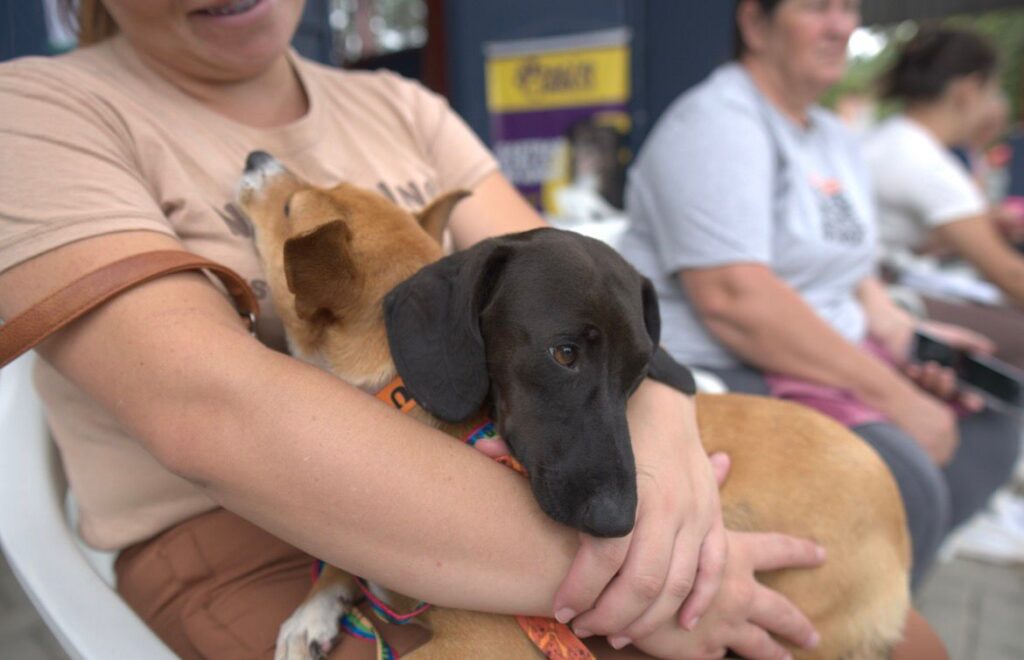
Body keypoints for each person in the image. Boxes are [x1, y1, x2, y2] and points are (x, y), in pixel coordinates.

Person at [0, 1, 833, 658]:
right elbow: (210, 411)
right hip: (252, 539)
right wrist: (643, 583)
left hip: (493, 483)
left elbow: (579, 288)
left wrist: (664, 421)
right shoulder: (37, 113)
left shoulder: (400, 106)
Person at [618, 0, 1021, 592]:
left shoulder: (831, 133)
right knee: (905, 478)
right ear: (755, 24)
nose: (842, 25)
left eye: (848, 7)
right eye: (817, 7)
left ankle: (876, 598)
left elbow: (853, 268)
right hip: (729, 367)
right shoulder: (717, 124)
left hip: (823, 351)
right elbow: (736, 301)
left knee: (989, 423)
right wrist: (895, 396)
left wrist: (907, 336)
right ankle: (854, 609)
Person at [864, 26, 1024, 370]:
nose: (994, 105)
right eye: (992, 91)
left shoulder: (892, 139)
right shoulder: (923, 161)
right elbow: (1009, 274)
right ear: (968, 90)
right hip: (882, 298)